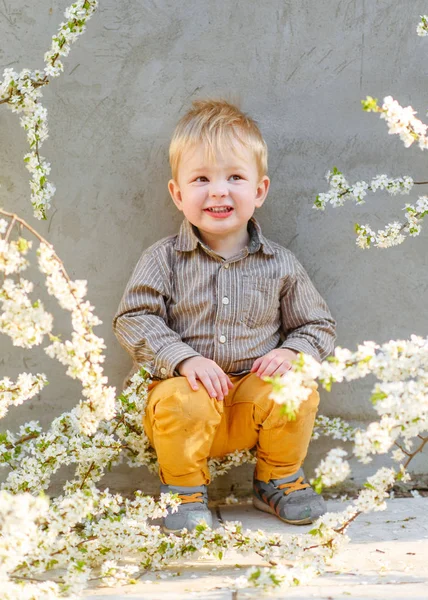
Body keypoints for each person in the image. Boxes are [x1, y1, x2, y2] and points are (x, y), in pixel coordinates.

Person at [113, 98, 337, 534]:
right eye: (201, 179)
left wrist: (294, 352)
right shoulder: (165, 259)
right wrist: (182, 359)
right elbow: (133, 316)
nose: (218, 190)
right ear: (177, 194)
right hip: (184, 406)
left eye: (235, 177)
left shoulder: (281, 264)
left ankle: (277, 479)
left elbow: (317, 325)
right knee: (183, 398)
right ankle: (183, 491)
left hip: (250, 406)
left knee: (297, 389)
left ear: (259, 190)